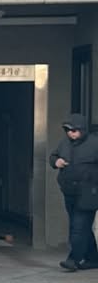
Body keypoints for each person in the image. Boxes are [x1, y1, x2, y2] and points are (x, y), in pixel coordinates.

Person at [50, 113, 98, 272]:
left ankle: (73, 259)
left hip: (89, 193)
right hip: (69, 192)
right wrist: (56, 161)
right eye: (67, 130)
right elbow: (53, 156)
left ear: (82, 129)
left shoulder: (95, 143)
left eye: (74, 130)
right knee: (82, 227)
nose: (71, 133)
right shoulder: (64, 143)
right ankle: (93, 259)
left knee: (78, 228)